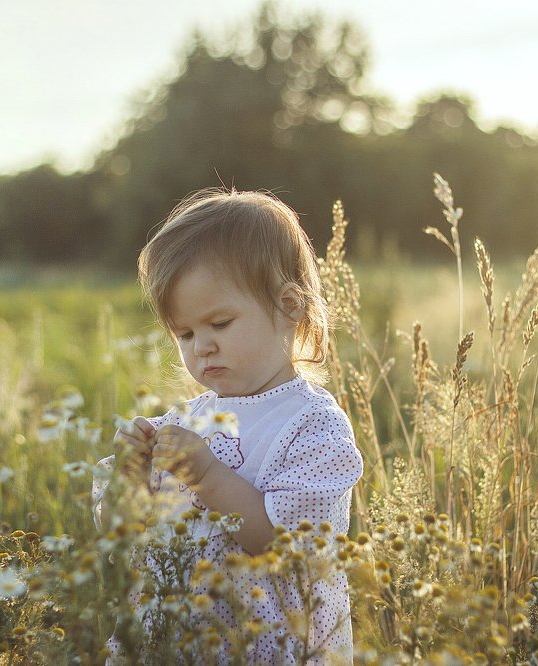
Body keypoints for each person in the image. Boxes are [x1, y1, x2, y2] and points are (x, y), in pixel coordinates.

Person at [93, 188, 363, 664]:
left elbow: (285, 549)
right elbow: (124, 539)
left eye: (219, 323)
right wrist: (128, 482)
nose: (202, 347)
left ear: (289, 306)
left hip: (269, 643)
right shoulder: (181, 423)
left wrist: (207, 476)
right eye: (186, 333)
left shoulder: (312, 426)